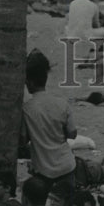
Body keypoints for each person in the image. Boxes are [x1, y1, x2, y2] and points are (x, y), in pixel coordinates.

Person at [20, 50, 77, 191]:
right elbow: (73, 133)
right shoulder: (62, 103)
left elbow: (22, 139)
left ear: (30, 82)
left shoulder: (26, 109)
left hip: (43, 169)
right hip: (66, 166)